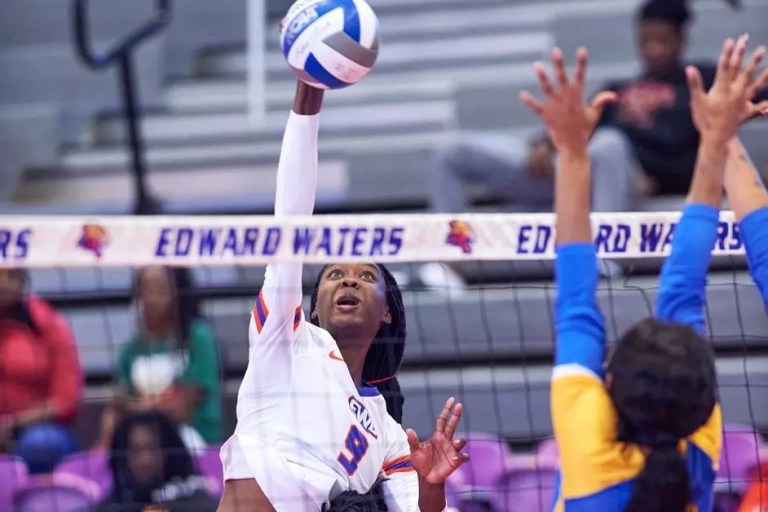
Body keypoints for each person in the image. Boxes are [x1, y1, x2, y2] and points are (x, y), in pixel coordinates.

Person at [519, 33, 767, 511]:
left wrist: (570, 153)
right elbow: (582, 309)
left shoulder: (597, 445)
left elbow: (680, 295)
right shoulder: (681, 446)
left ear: (608, 386)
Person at [217, 79, 468, 512]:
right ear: (312, 307)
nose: (348, 281)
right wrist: (305, 103)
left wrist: (432, 490)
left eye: (365, 276)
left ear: (386, 311)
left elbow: (422, 508)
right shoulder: (288, 340)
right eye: (334, 273)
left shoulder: (388, 433)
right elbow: (290, 218)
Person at [100, 267, 223, 452]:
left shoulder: (197, 338)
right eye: (145, 290)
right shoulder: (131, 350)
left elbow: (182, 409)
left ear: (176, 293)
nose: (151, 298)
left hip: (193, 439)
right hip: (141, 443)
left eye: (159, 289)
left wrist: (133, 408)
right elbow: (118, 402)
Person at [0, 268, 83, 474]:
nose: (4, 283)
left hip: (34, 430)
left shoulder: (50, 324)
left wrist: (12, 426)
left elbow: (65, 402)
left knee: (42, 445)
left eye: (12, 276)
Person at [94, 410, 218, 512]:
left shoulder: (196, 502)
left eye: (153, 448)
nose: (145, 460)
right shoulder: (114, 506)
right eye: (135, 449)